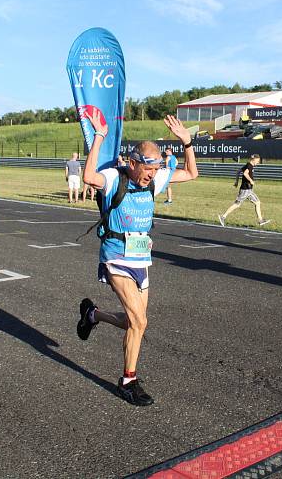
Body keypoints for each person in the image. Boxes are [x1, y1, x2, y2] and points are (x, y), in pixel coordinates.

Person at [77, 113, 198, 406]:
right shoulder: (114, 177)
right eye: (148, 168)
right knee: (139, 320)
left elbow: (191, 173)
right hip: (116, 257)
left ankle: (93, 315)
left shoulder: (154, 181)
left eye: (156, 168)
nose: (152, 174)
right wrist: (99, 137)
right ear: (133, 163)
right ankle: (128, 381)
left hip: (142, 258)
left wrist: (187, 142)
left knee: (136, 323)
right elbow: (88, 177)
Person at [218, 154, 270, 227]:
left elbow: (238, 171)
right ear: (254, 159)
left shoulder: (247, 165)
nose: (258, 162)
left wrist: (236, 182)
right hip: (245, 190)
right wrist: (251, 180)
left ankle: (260, 220)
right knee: (237, 204)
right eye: (257, 161)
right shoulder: (249, 166)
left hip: (249, 190)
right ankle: (223, 217)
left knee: (257, 202)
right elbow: (245, 173)